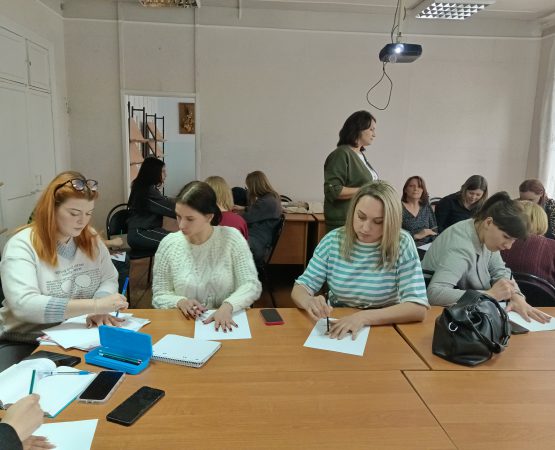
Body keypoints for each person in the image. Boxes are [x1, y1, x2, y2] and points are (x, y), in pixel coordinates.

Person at [0, 171, 128, 344]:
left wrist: (99, 308)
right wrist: (96, 305)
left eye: (89, 213)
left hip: (73, 333)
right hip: (23, 339)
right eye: (74, 213)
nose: (82, 221)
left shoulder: (90, 238)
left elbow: (108, 278)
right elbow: (24, 305)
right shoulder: (22, 245)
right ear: (51, 210)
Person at [291, 181, 429, 340]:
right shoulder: (333, 240)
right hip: (339, 322)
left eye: (378, 221)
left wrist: (363, 317)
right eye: (361, 217)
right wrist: (308, 301)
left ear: (391, 221)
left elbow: (418, 308)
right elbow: (301, 287)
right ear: (352, 212)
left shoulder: (402, 242)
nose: (365, 228)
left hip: (386, 325)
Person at [422, 192, 550, 323]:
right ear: (488, 222)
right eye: (506, 237)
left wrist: (517, 296)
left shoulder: (482, 232)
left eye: (513, 240)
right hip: (439, 318)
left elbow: (499, 271)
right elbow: (434, 293)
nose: (508, 246)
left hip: (467, 311)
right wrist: (490, 295)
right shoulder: (461, 245)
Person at [152, 181, 261, 332]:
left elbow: (250, 285)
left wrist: (228, 305)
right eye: (178, 216)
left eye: (190, 219)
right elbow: (160, 294)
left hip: (226, 325)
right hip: (184, 325)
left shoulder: (231, 239)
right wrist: (179, 301)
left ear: (209, 217)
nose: (181, 225)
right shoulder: (169, 244)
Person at [324, 110, 378, 231]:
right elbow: (334, 191)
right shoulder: (341, 154)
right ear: (359, 128)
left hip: (359, 220)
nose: (374, 134)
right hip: (344, 222)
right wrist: (367, 189)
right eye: (371, 129)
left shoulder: (361, 156)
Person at [501, 201, 555, 286]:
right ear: (542, 221)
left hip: (501, 291)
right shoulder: (552, 246)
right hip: (542, 293)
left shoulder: (499, 241)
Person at [127, 157, 176, 251]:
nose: (166, 175)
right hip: (141, 233)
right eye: (163, 171)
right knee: (178, 241)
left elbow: (165, 201)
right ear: (154, 172)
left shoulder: (145, 188)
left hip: (147, 231)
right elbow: (170, 208)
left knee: (178, 239)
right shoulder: (147, 191)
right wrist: (190, 211)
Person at [235, 171, 282, 269]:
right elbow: (258, 211)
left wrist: (228, 215)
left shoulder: (266, 202)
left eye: (249, 186)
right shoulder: (271, 197)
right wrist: (244, 208)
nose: (248, 190)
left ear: (254, 186)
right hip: (261, 239)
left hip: (258, 244)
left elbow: (244, 219)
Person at [401, 176, 437, 245]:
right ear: (405, 189)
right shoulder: (398, 208)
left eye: (419, 186)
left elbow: (434, 229)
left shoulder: (426, 206)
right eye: (411, 186)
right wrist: (417, 235)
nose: (416, 189)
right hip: (409, 246)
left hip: (428, 246)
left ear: (423, 190)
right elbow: (395, 233)